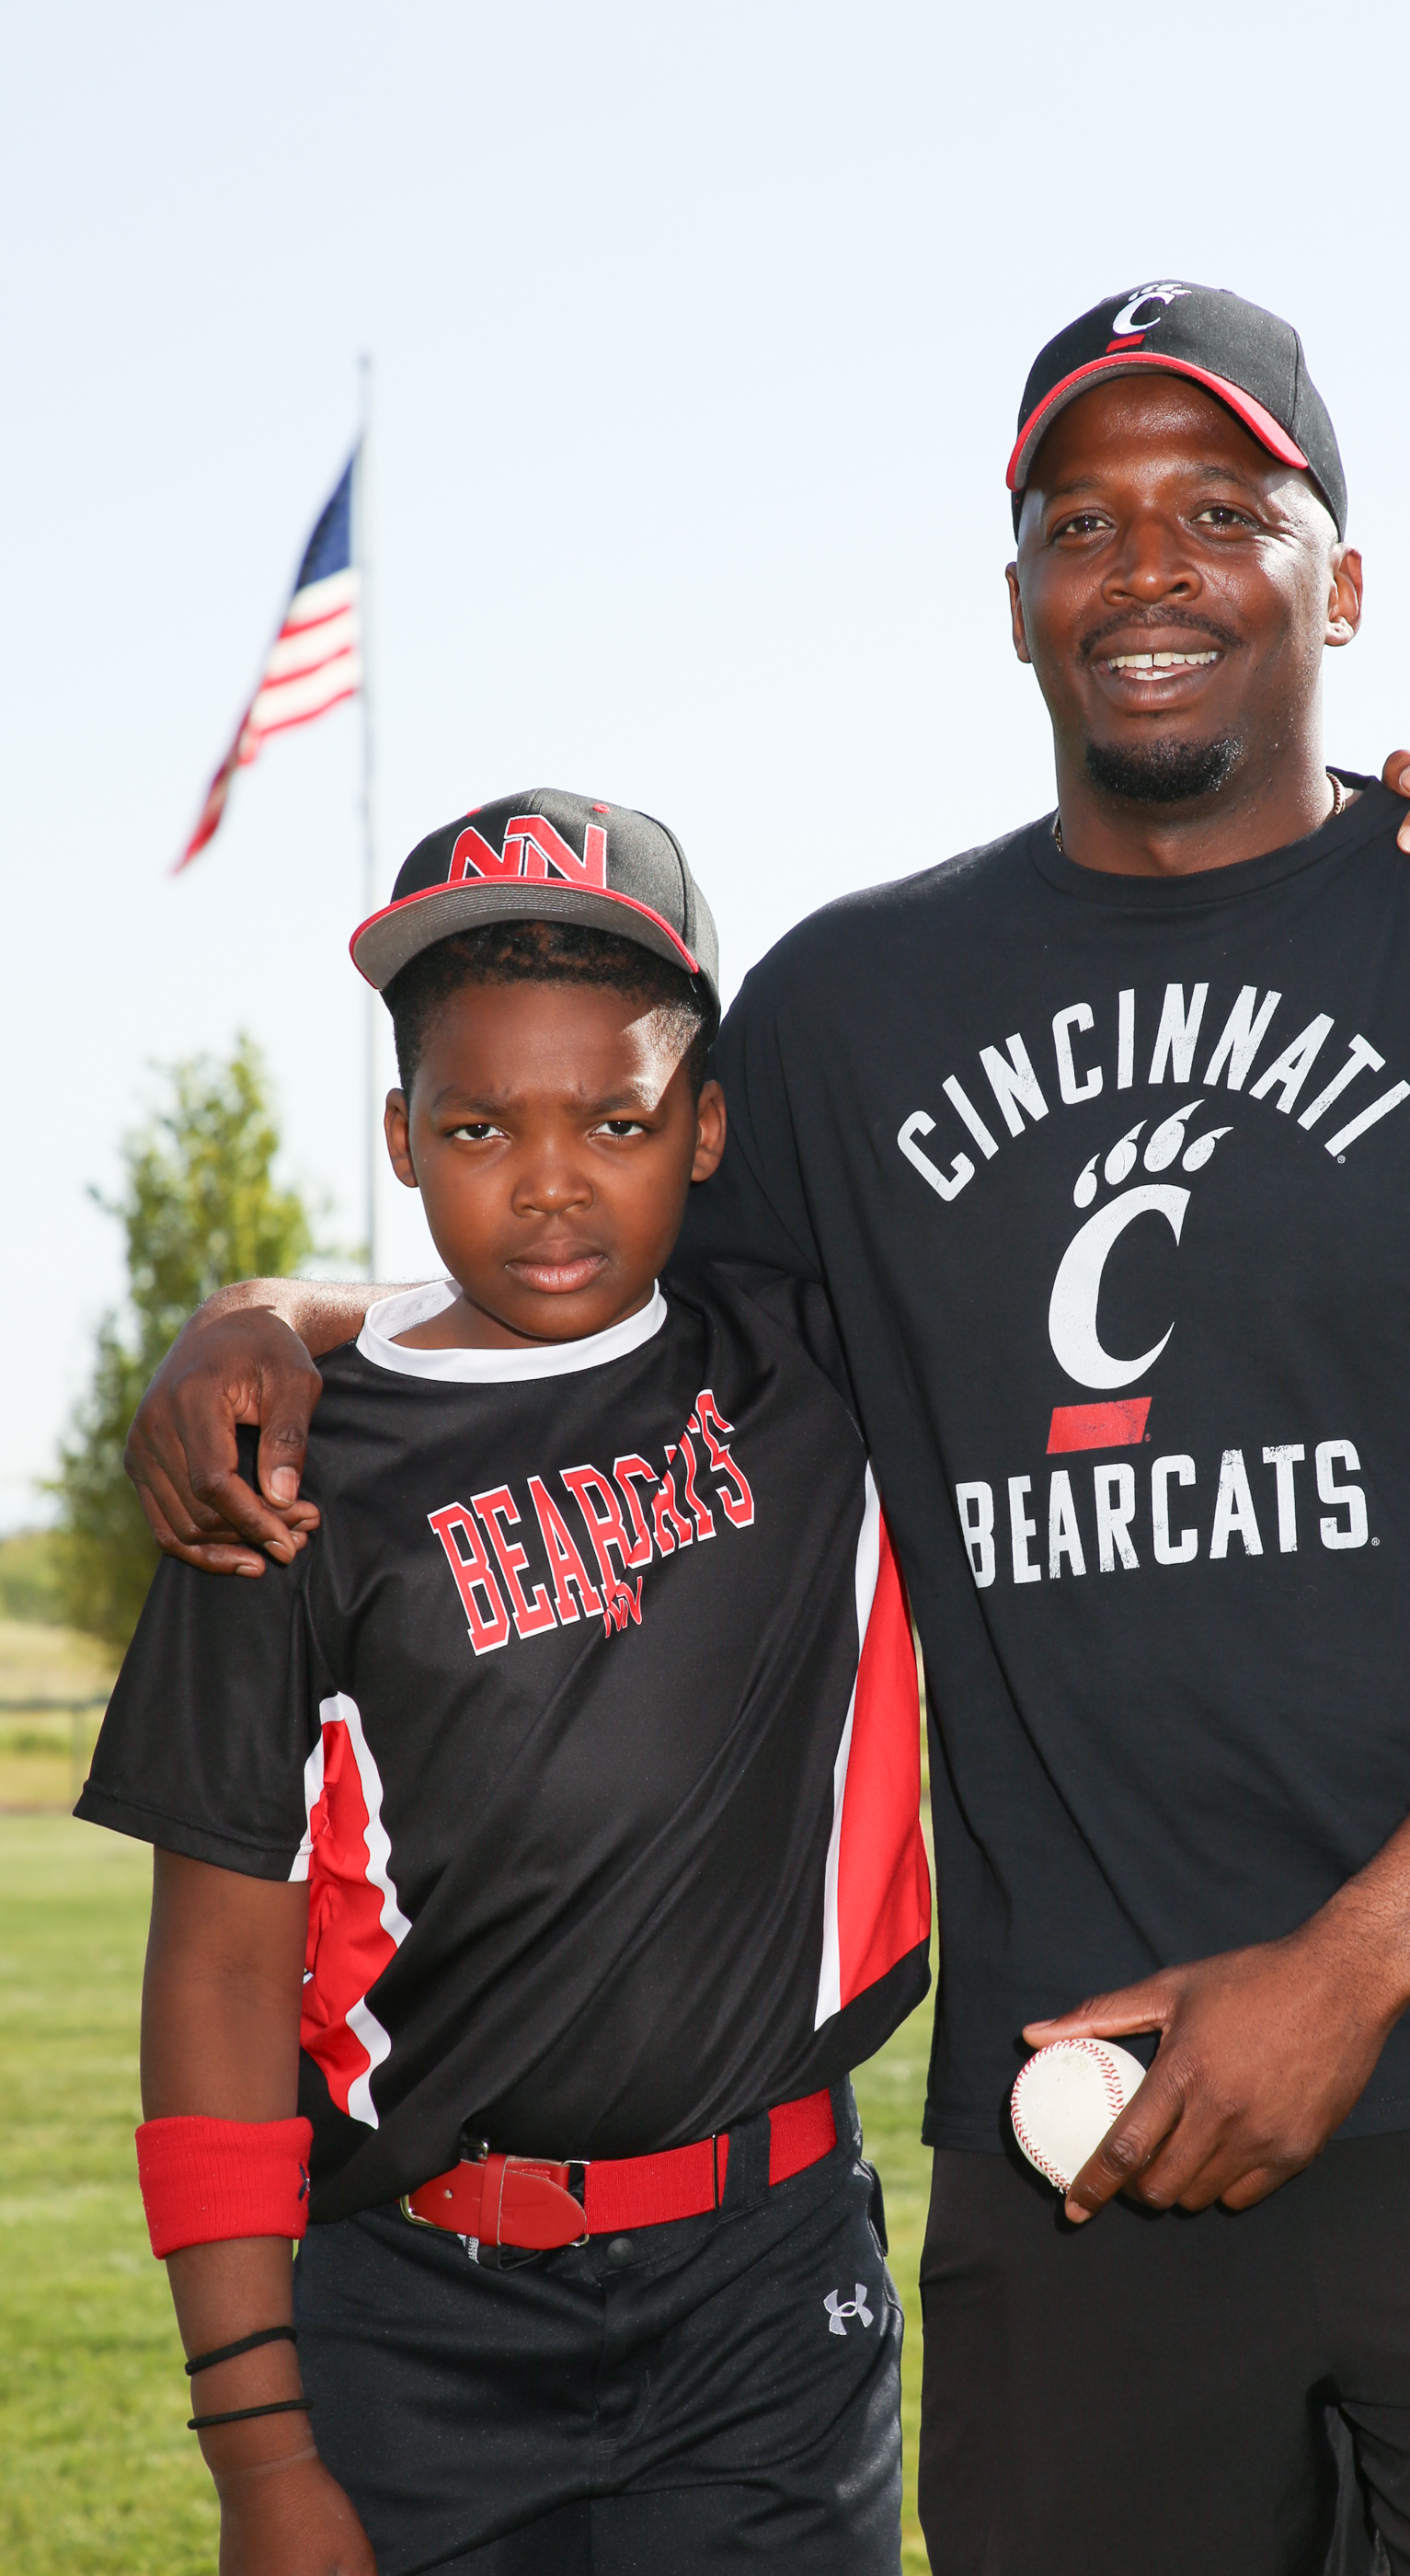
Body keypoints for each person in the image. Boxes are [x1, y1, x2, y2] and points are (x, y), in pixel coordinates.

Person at [118, 280, 1410, 2576]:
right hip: (1078, 2130)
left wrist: (1352, 1967)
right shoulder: (851, 1009)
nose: (1148, 566)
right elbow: (585, 1246)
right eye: (1080, 521)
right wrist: (275, 1308)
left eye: (1222, 510)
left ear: (1342, 579)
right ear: (1012, 596)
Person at [80, 792, 932, 2575]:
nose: (550, 1181)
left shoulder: (816, 1362)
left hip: (768, 2294)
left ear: (706, 1128)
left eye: (616, 1120)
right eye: (479, 1126)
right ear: (401, 1135)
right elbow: (219, 1969)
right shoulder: (283, 1472)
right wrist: (256, 2446)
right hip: (419, 2307)